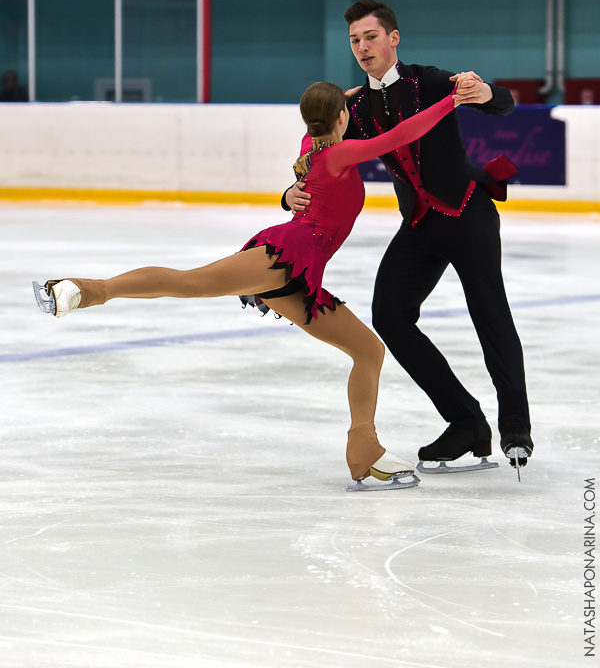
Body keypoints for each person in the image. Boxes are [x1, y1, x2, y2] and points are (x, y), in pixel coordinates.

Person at [33, 80, 460, 486]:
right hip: (288, 253)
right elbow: (401, 134)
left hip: (303, 273)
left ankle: (363, 452)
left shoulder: (310, 147)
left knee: (368, 350)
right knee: (193, 282)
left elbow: (330, 113)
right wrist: (450, 102)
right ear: (343, 118)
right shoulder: (337, 154)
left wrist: (350, 96)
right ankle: (85, 290)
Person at [283, 0, 533, 476]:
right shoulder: (351, 107)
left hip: (468, 213)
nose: (362, 46)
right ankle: (466, 422)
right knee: (391, 318)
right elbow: (316, 159)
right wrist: (290, 192)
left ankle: (515, 428)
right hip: (419, 223)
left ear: (393, 38)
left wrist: (484, 93)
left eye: (371, 36)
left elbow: (503, 103)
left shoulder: (432, 80)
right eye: (355, 40)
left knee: (489, 310)